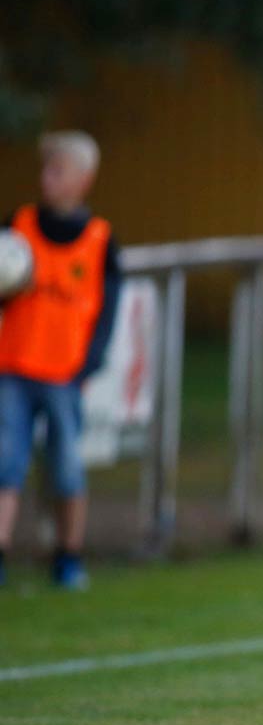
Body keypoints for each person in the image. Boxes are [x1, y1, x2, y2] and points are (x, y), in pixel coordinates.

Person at [0, 132, 121, 590]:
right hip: (12, 368)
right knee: (4, 464)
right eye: (45, 170)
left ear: (85, 180)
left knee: (67, 468)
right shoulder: (19, 227)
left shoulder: (99, 239)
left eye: (58, 170)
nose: (46, 179)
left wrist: (86, 366)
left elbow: (106, 313)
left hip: (63, 375)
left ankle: (68, 556)